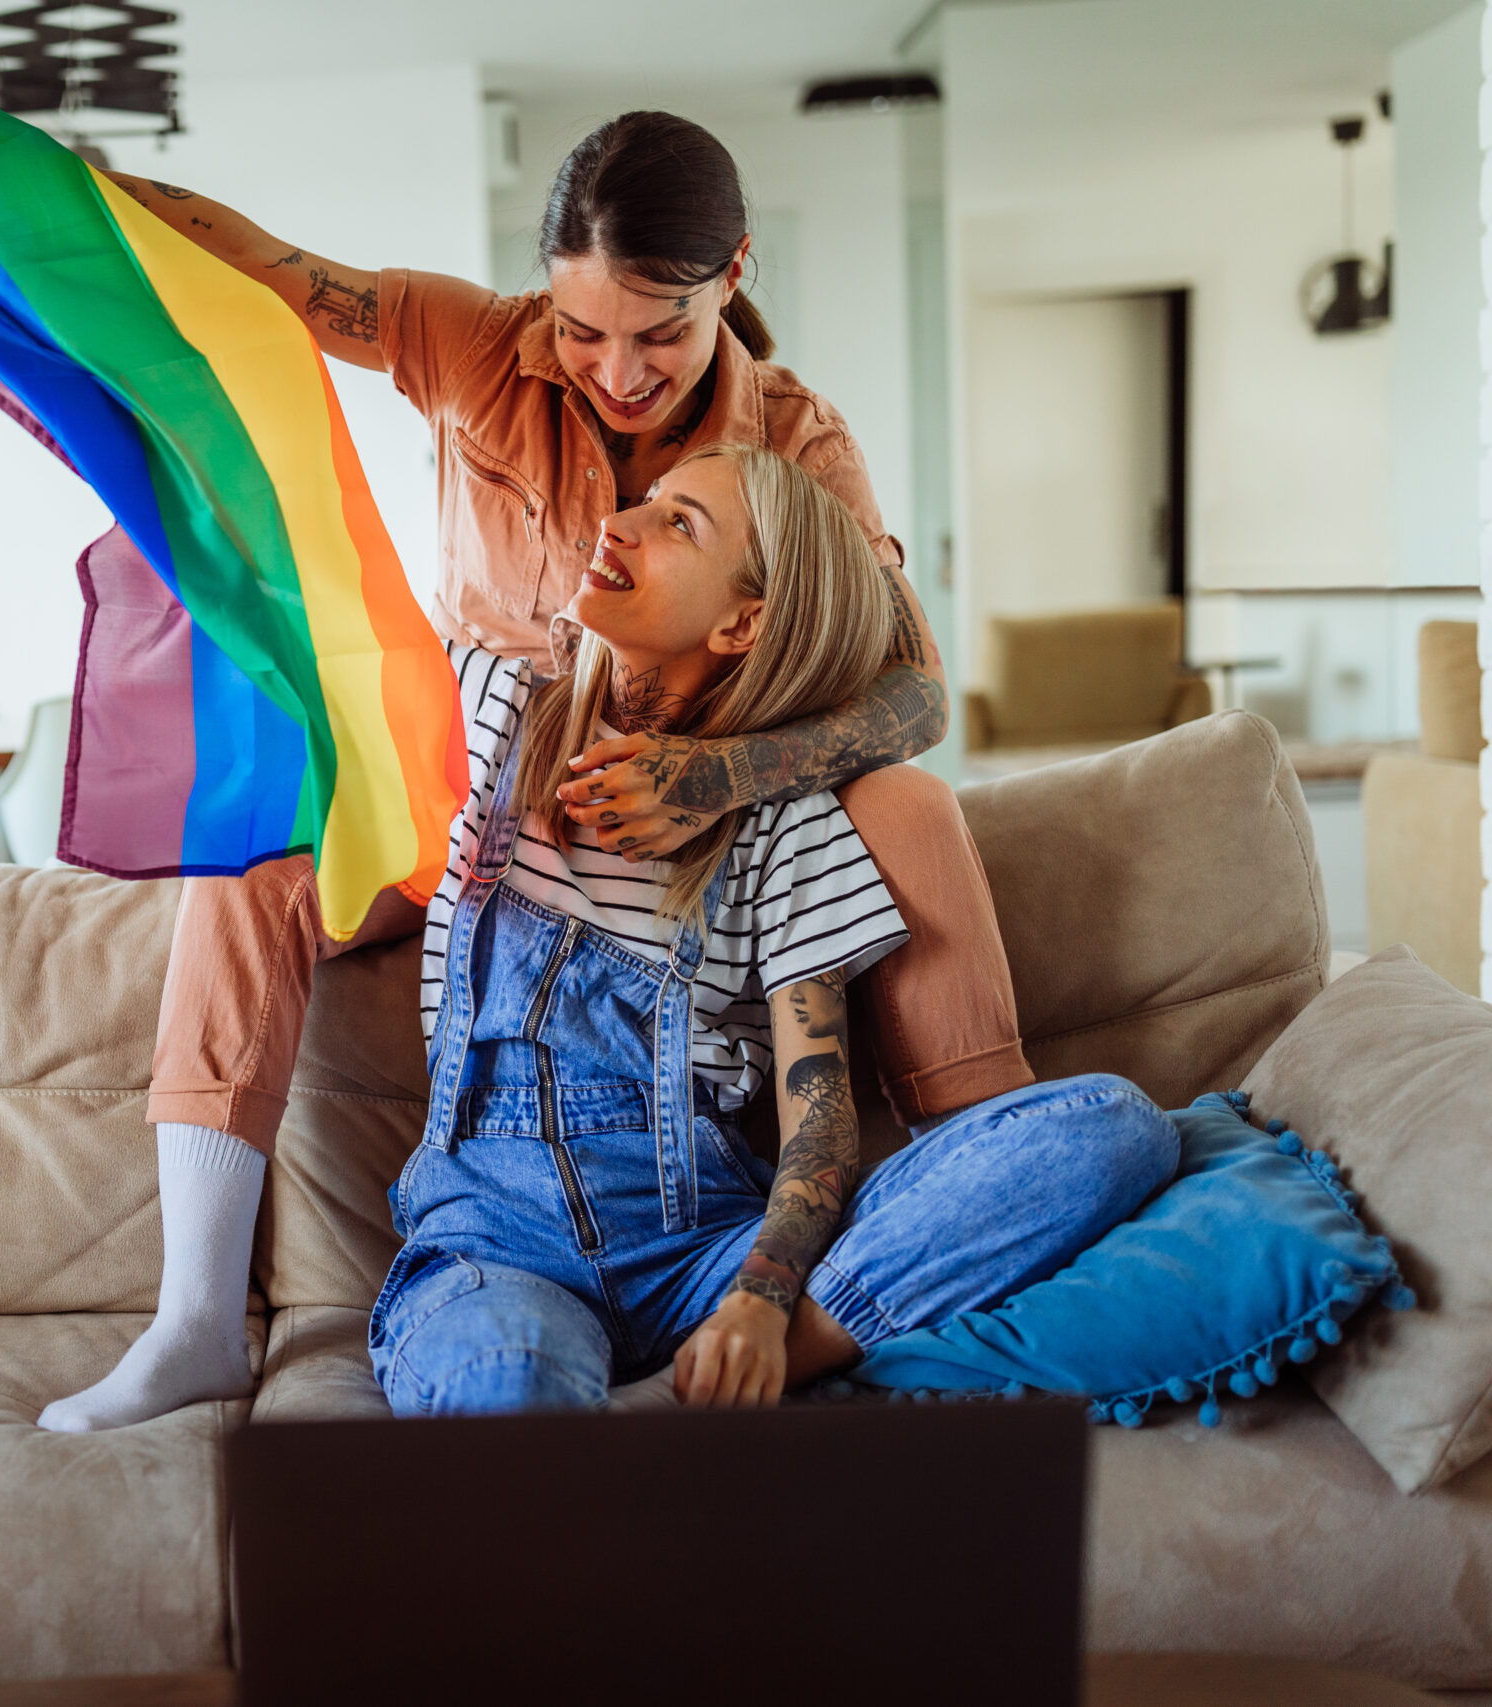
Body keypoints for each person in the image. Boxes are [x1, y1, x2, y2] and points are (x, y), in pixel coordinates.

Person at [37, 112, 1032, 1433]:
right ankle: (196, 1321)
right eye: (584, 330)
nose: (618, 372)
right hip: (487, 788)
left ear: (733, 274)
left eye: (660, 333)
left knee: (911, 797)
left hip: (694, 817)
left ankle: (1001, 1162)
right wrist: (62, 190)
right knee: (266, 847)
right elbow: (272, 274)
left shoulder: (795, 443)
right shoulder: (477, 348)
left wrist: (724, 775)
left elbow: (916, 689)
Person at [375, 444, 1173, 1413]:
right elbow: (298, 620)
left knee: (1110, 1131)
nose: (619, 523)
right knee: (507, 1381)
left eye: (678, 524)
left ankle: (767, 1359)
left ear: (741, 621)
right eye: (646, 501)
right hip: (495, 1247)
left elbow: (820, 1122)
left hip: (702, 1256)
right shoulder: (491, 712)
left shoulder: (787, 828)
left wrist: (759, 1299)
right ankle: (663, 1411)